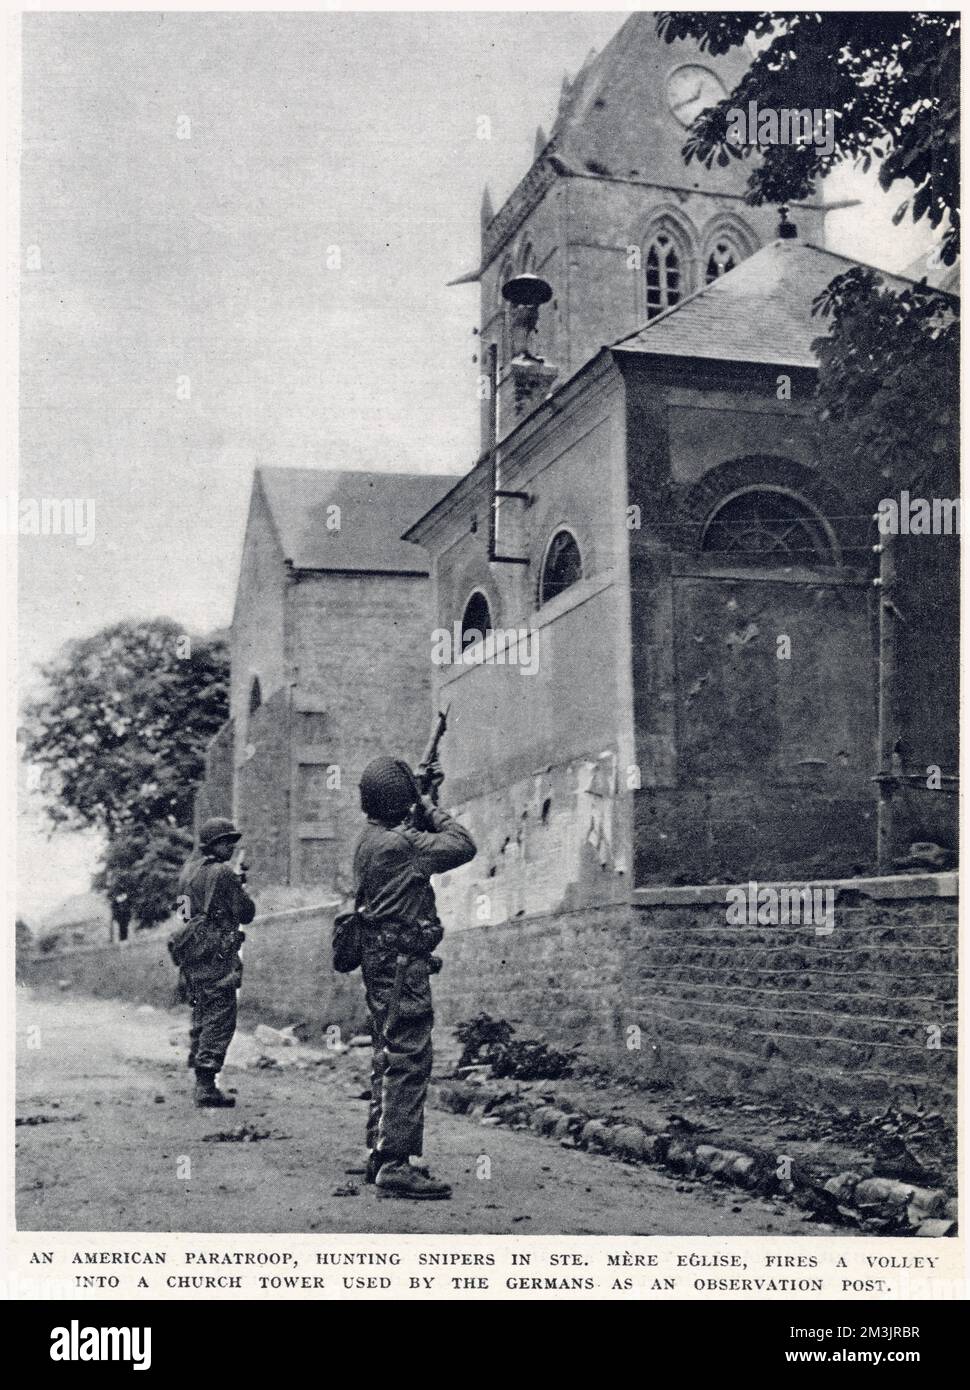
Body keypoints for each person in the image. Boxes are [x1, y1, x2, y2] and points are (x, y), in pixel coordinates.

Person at [353, 755, 476, 1199]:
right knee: (410, 1055)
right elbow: (461, 844)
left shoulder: (371, 840)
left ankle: (379, 1150)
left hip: (380, 961)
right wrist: (426, 803)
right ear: (401, 803)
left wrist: (418, 800)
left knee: (388, 1051)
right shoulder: (401, 848)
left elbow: (419, 843)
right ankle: (395, 1163)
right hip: (403, 965)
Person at [177, 817, 256, 1108]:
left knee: (200, 1013)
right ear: (213, 845)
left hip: (192, 953)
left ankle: (201, 1079)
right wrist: (238, 886)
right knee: (220, 1015)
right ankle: (207, 1085)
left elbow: (185, 913)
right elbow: (246, 912)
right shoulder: (222, 873)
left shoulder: (188, 871)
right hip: (216, 955)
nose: (232, 848)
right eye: (226, 842)